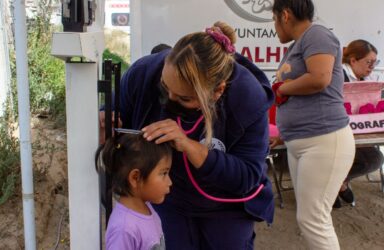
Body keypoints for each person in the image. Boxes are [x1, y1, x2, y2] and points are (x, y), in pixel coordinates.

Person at [119, 21, 275, 249]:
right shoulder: (144, 73)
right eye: (165, 87)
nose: (170, 99)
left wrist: (190, 146)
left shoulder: (247, 97)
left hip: (226, 206)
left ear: (218, 91)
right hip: (169, 198)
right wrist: (106, 116)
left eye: (184, 98)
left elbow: (247, 176)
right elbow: (119, 110)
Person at [270, 0, 355, 249]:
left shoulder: (316, 34)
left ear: (285, 15)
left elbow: (319, 79)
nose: (275, 28)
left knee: (312, 219)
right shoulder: (302, 42)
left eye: (274, 20)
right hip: (308, 141)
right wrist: (285, 134)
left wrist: (280, 88)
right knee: (311, 218)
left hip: (324, 140)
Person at [98, 133, 172, 250]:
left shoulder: (147, 208)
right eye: (163, 173)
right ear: (135, 178)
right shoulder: (123, 229)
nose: (170, 182)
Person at [334, 40, 384, 207]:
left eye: (374, 62)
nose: (371, 67)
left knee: (375, 159)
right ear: (353, 60)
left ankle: (338, 183)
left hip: (358, 132)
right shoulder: (337, 76)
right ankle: (331, 186)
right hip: (334, 133)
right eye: (368, 62)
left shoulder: (368, 79)